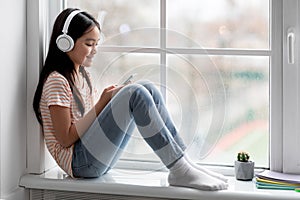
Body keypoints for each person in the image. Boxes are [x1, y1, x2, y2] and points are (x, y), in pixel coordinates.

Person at [33, 8, 228, 191]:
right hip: (80, 164)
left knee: (147, 88)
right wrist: (103, 103)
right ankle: (180, 170)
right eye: (89, 44)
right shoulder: (56, 81)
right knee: (135, 93)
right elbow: (66, 138)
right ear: (64, 42)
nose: (95, 50)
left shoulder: (83, 76)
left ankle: (184, 163)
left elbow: (88, 126)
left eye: (96, 44)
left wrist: (111, 101)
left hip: (89, 157)